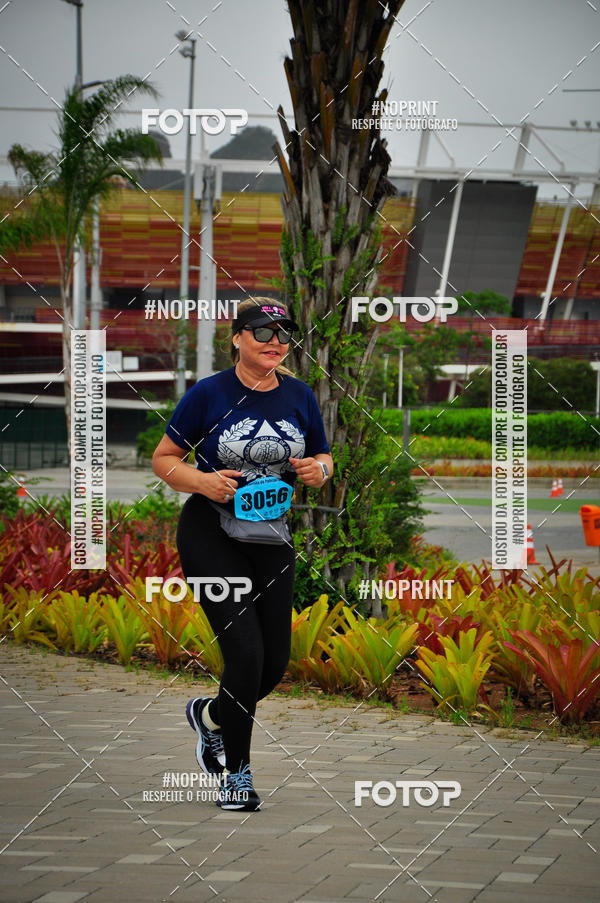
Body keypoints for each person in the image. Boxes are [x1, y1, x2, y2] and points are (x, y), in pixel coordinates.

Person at [152, 298, 333, 811]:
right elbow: (163, 459)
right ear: (237, 338)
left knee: (273, 665)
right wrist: (204, 482)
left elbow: (322, 454)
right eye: (263, 332)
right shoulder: (209, 394)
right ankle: (237, 775)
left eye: (283, 334)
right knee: (245, 656)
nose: (275, 342)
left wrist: (322, 470)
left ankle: (210, 717)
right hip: (211, 535)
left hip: (270, 536)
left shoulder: (299, 394)